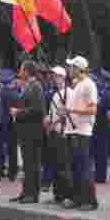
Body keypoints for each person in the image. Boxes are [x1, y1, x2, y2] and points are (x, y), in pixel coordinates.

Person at [64, 56, 99, 211]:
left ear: (79, 69)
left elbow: (92, 110)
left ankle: (90, 201)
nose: (69, 70)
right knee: (75, 167)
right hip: (74, 130)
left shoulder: (89, 85)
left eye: (71, 67)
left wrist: (71, 110)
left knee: (84, 167)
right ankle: (77, 198)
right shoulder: (78, 85)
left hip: (83, 131)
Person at [9, 60, 46, 204]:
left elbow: (38, 110)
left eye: (21, 69)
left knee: (32, 163)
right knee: (27, 164)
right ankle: (25, 192)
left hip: (32, 131)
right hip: (25, 131)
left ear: (27, 71)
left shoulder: (35, 86)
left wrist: (18, 112)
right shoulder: (28, 86)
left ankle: (32, 194)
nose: (19, 71)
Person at [44, 66, 72, 204]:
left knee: (63, 165)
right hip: (54, 132)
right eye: (54, 76)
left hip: (63, 132)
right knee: (54, 164)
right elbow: (52, 112)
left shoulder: (69, 93)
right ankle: (57, 195)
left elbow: (67, 113)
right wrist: (48, 119)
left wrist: (53, 122)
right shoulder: (55, 94)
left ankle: (66, 194)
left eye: (57, 76)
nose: (55, 79)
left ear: (63, 77)